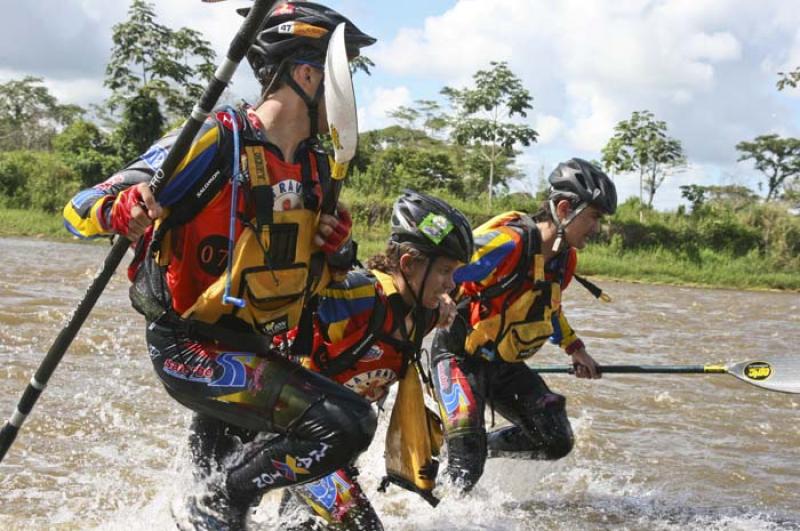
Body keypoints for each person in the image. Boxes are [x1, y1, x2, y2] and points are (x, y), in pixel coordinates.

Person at [63, 2, 377, 529]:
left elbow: (324, 275)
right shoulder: (215, 141)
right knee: (346, 424)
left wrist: (336, 248)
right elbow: (78, 209)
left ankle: (210, 506)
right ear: (307, 75)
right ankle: (222, 498)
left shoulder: (316, 168)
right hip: (191, 350)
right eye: (346, 77)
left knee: (209, 516)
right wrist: (121, 209)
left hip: (255, 348)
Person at [276, 190, 474, 529]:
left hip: (335, 447)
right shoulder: (360, 295)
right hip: (296, 440)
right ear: (409, 264)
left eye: (453, 273)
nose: (450, 284)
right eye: (444, 271)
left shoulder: (424, 314)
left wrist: (439, 310)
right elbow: (293, 297)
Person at [428, 158, 617, 492]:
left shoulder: (564, 259)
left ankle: (474, 445)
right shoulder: (507, 244)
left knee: (556, 440)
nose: (596, 228)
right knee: (466, 464)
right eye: (594, 217)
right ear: (563, 208)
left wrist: (576, 349)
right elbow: (442, 267)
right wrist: (439, 296)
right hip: (459, 355)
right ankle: (432, 502)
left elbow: (548, 309)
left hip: (503, 365)